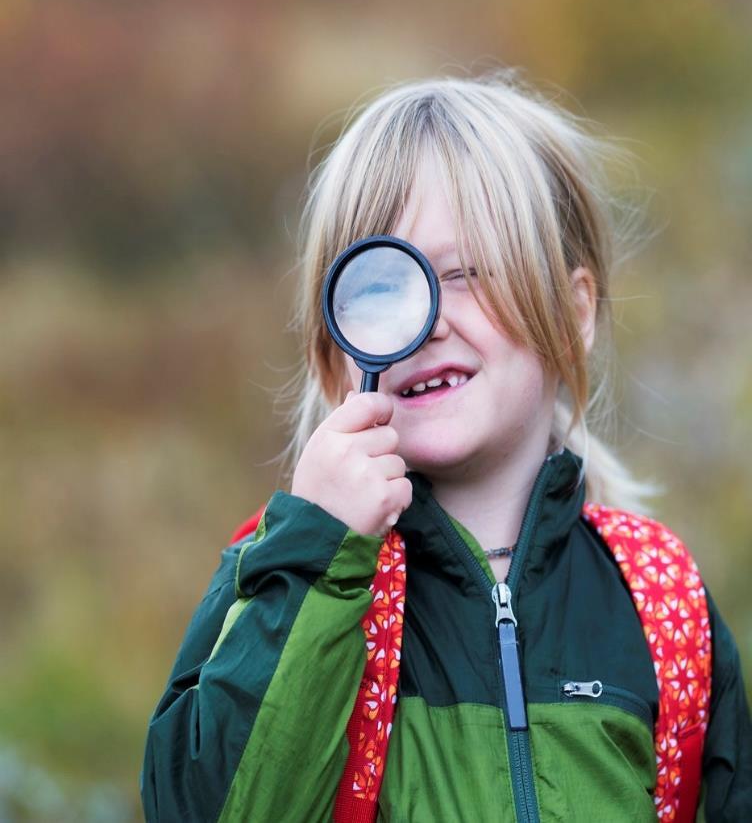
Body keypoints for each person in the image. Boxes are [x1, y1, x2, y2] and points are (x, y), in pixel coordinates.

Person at [141, 74, 751, 821]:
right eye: (378, 287)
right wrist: (315, 559)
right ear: (333, 349)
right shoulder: (279, 577)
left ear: (573, 312)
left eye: (464, 272)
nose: (425, 322)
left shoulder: (661, 604)